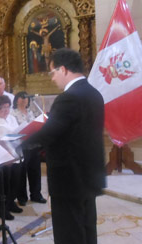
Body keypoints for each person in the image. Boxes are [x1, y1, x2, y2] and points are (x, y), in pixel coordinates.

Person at [23, 48, 106, 244]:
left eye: (52, 72)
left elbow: (49, 133)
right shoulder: (94, 93)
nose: (52, 78)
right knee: (86, 227)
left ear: (63, 69)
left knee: (69, 232)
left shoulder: (68, 98)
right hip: (88, 175)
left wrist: (19, 144)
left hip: (68, 179)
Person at [0, 96, 22, 221]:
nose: (6, 110)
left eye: (8, 107)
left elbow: (18, 132)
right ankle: (2, 209)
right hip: (2, 157)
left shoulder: (12, 118)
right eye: (3, 108)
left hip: (16, 153)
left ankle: (11, 203)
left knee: (15, 182)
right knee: (4, 185)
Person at [11, 91, 46, 205]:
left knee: (35, 171)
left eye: (26, 98)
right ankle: (22, 197)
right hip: (22, 146)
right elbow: (14, 130)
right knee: (21, 173)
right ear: (16, 100)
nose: (24, 99)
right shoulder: (13, 114)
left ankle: (36, 194)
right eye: (21, 97)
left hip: (34, 145)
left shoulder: (31, 112)